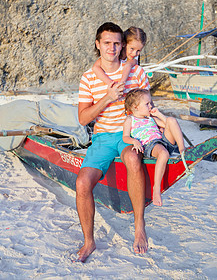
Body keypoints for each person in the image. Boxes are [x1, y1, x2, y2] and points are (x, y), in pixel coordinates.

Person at [76, 22, 150, 262]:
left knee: (131, 156)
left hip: (129, 133)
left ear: (122, 45)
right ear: (98, 45)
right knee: (82, 183)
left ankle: (139, 225)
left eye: (117, 43)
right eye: (107, 43)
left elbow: (148, 108)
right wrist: (107, 98)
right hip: (102, 137)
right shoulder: (88, 78)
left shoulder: (136, 73)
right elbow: (83, 117)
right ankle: (89, 241)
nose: (112, 47)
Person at [123, 89, 186, 207]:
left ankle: (182, 149)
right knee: (163, 154)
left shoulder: (151, 118)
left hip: (163, 141)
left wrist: (159, 115)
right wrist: (134, 141)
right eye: (147, 104)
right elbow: (125, 137)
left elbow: (169, 124)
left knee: (172, 120)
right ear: (136, 107)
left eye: (151, 103)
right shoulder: (130, 120)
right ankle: (156, 189)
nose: (151, 106)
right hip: (149, 145)